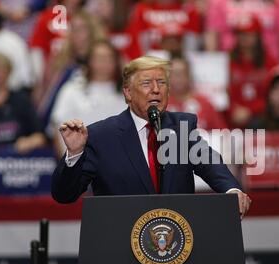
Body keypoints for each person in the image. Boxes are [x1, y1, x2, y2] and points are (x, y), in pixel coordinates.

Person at [51, 55, 251, 217]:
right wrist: (75, 154)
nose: (156, 89)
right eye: (147, 83)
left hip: (178, 242)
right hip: (122, 246)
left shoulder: (181, 128)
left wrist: (231, 190)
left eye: (162, 83)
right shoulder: (102, 136)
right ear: (128, 93)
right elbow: (64, 195)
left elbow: (210, 163)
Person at [50, 40, 126, 158]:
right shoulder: (72, 90)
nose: (104, 63)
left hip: (118, 163)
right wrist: (68, 164)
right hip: (80, 163)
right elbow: (58, 127)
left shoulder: (126, 93)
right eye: (99, 58)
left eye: (109, 58)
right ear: (89, 61)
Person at [0, 52, 45, 153]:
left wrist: (29, 142)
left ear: (9, 72)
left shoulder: (21, 100)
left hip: (15, 163)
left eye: (1, 70)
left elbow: (39, 136)